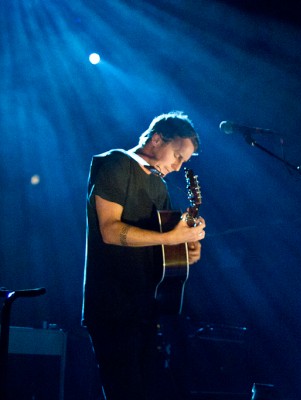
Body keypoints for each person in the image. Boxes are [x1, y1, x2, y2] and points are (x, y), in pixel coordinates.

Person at [82, 111, 206, 400]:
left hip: (145, 307)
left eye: (183, 161)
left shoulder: (158, 185)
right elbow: (110, 231)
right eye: (177, 155)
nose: (177, 167)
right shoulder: (115, 163)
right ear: (156, 139)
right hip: (111, 305)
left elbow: (164, 249)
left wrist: (187, 245)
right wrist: (171, 237)